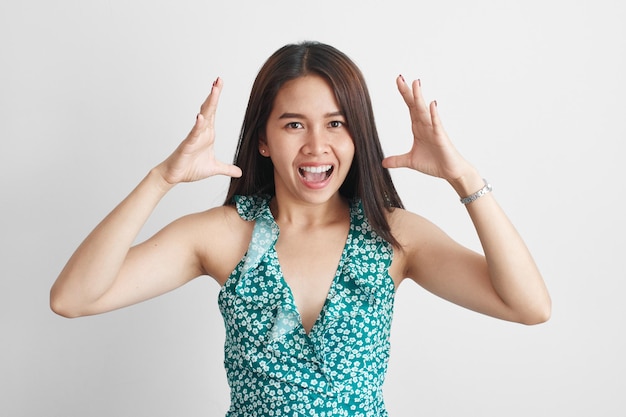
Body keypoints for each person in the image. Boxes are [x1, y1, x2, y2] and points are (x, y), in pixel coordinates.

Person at [50, 41, 551, 416]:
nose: (316, 146)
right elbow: (72, 298)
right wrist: (162, 178)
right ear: (263, 139)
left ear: (357, 134)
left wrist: (464, 177)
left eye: (336, 124)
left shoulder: (396, 237)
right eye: (294, 125)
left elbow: (529, 306)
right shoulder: (223, 236)